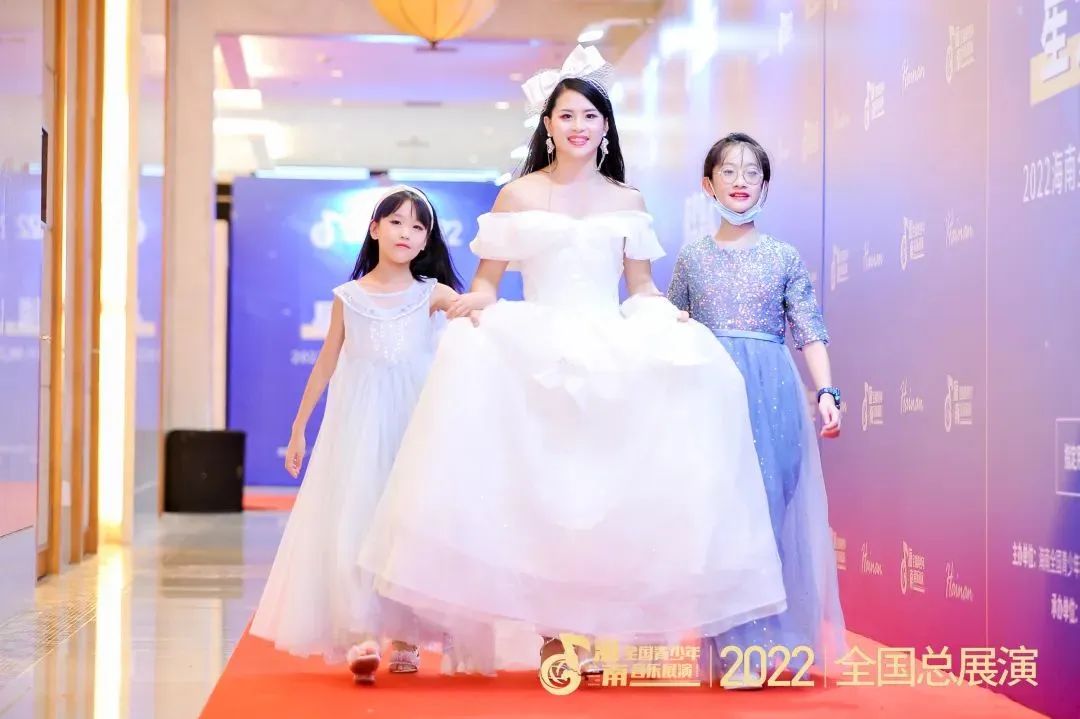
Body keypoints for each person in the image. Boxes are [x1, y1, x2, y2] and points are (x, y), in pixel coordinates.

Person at [358, 47, 786, 680]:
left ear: (605, 127)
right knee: (543, 492)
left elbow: (640, 285)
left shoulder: (627, 198)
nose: (578, 126)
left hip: (608, 348)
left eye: (589, 115)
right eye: (566, 115)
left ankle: (588, 628)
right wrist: (472, 304)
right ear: (548, 124)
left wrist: (667, 316)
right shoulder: (517, 195)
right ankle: (554, 634)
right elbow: (488, 280)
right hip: (534, 350)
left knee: (597, 492)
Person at [250, 186, 463, 684]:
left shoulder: (433, 293)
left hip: (415, 423)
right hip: (359, 427)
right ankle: (362, 633)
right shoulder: (348, 298)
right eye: (396, 222)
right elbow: (327, 361)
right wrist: (299, 427)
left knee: (408, 524)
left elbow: (477, 324)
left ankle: (408, 636)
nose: (406, 233)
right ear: (374, 229)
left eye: (418, 226)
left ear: (427, 239)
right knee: (357, 520)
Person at [668, 133, 846, 687]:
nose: (740, 181)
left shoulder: (783, 256)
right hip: (712, 398)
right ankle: (736, 650)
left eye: (751, 172)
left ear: (765, 186)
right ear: (708, 185)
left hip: (774, 394)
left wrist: (827, 392)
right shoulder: (692, 259)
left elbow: (809, 332)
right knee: (724, 518)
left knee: (771, 512)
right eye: (728, 171)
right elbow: (670, 328)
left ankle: (778, 646)